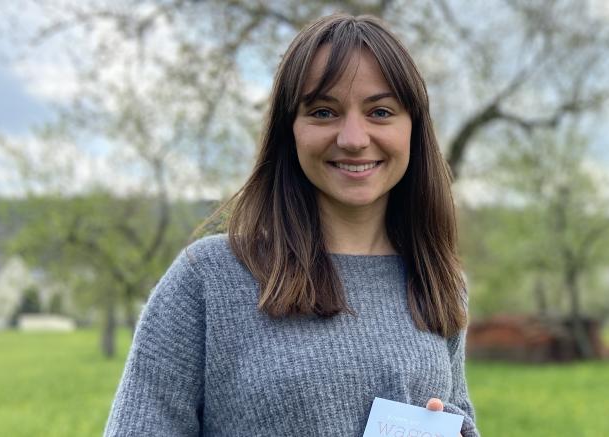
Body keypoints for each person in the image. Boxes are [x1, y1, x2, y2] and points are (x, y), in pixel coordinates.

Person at [104, 13, 478, 437]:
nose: (353, 138)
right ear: (290, 132)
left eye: (380, 111)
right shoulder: (207, 279)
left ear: (413, 129)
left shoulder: (439, 281)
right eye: (323, 111)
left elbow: (460, 415)